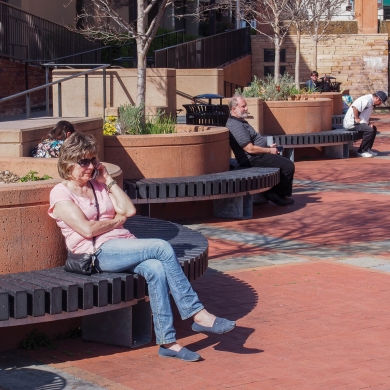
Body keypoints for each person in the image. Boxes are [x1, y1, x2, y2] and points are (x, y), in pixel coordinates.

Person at [48, 132, 235, 362]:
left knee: (156, 268)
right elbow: (87, 230)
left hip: (123, 245)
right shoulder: (61, 193)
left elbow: (130, 210)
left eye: (93, 160)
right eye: (83, 162)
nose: (90, 167)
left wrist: (107, 180)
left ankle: (168, 342)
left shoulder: (98, 185)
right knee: (162, 247)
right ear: (68, 163)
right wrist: (116, 221)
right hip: (96, 254)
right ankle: (197, 313)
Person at [226, 95, 295, 206]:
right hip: (252, 159)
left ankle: (278, 193)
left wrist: (268, 147)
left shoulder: (241, 121)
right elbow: (250, 149)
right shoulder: (235, 125)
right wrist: (270, 151)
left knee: (284, 163)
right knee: (288, 166)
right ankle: (275, 194)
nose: (246, 108)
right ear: (233, 109)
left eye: (246, 106)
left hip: (258, 155)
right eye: (243, 106)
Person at [343, 91, 387, 158]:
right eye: (380, 102)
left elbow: (364, 115)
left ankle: (367, 149)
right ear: (377, 98)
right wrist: (356, 118)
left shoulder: (371, 103)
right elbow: (355, 107)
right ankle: (361, 151)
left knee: (373, 129)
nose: (380, 104)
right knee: (369, 131)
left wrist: (368, 123)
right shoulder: (366, 100)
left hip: (358, 123)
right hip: (352, 123)